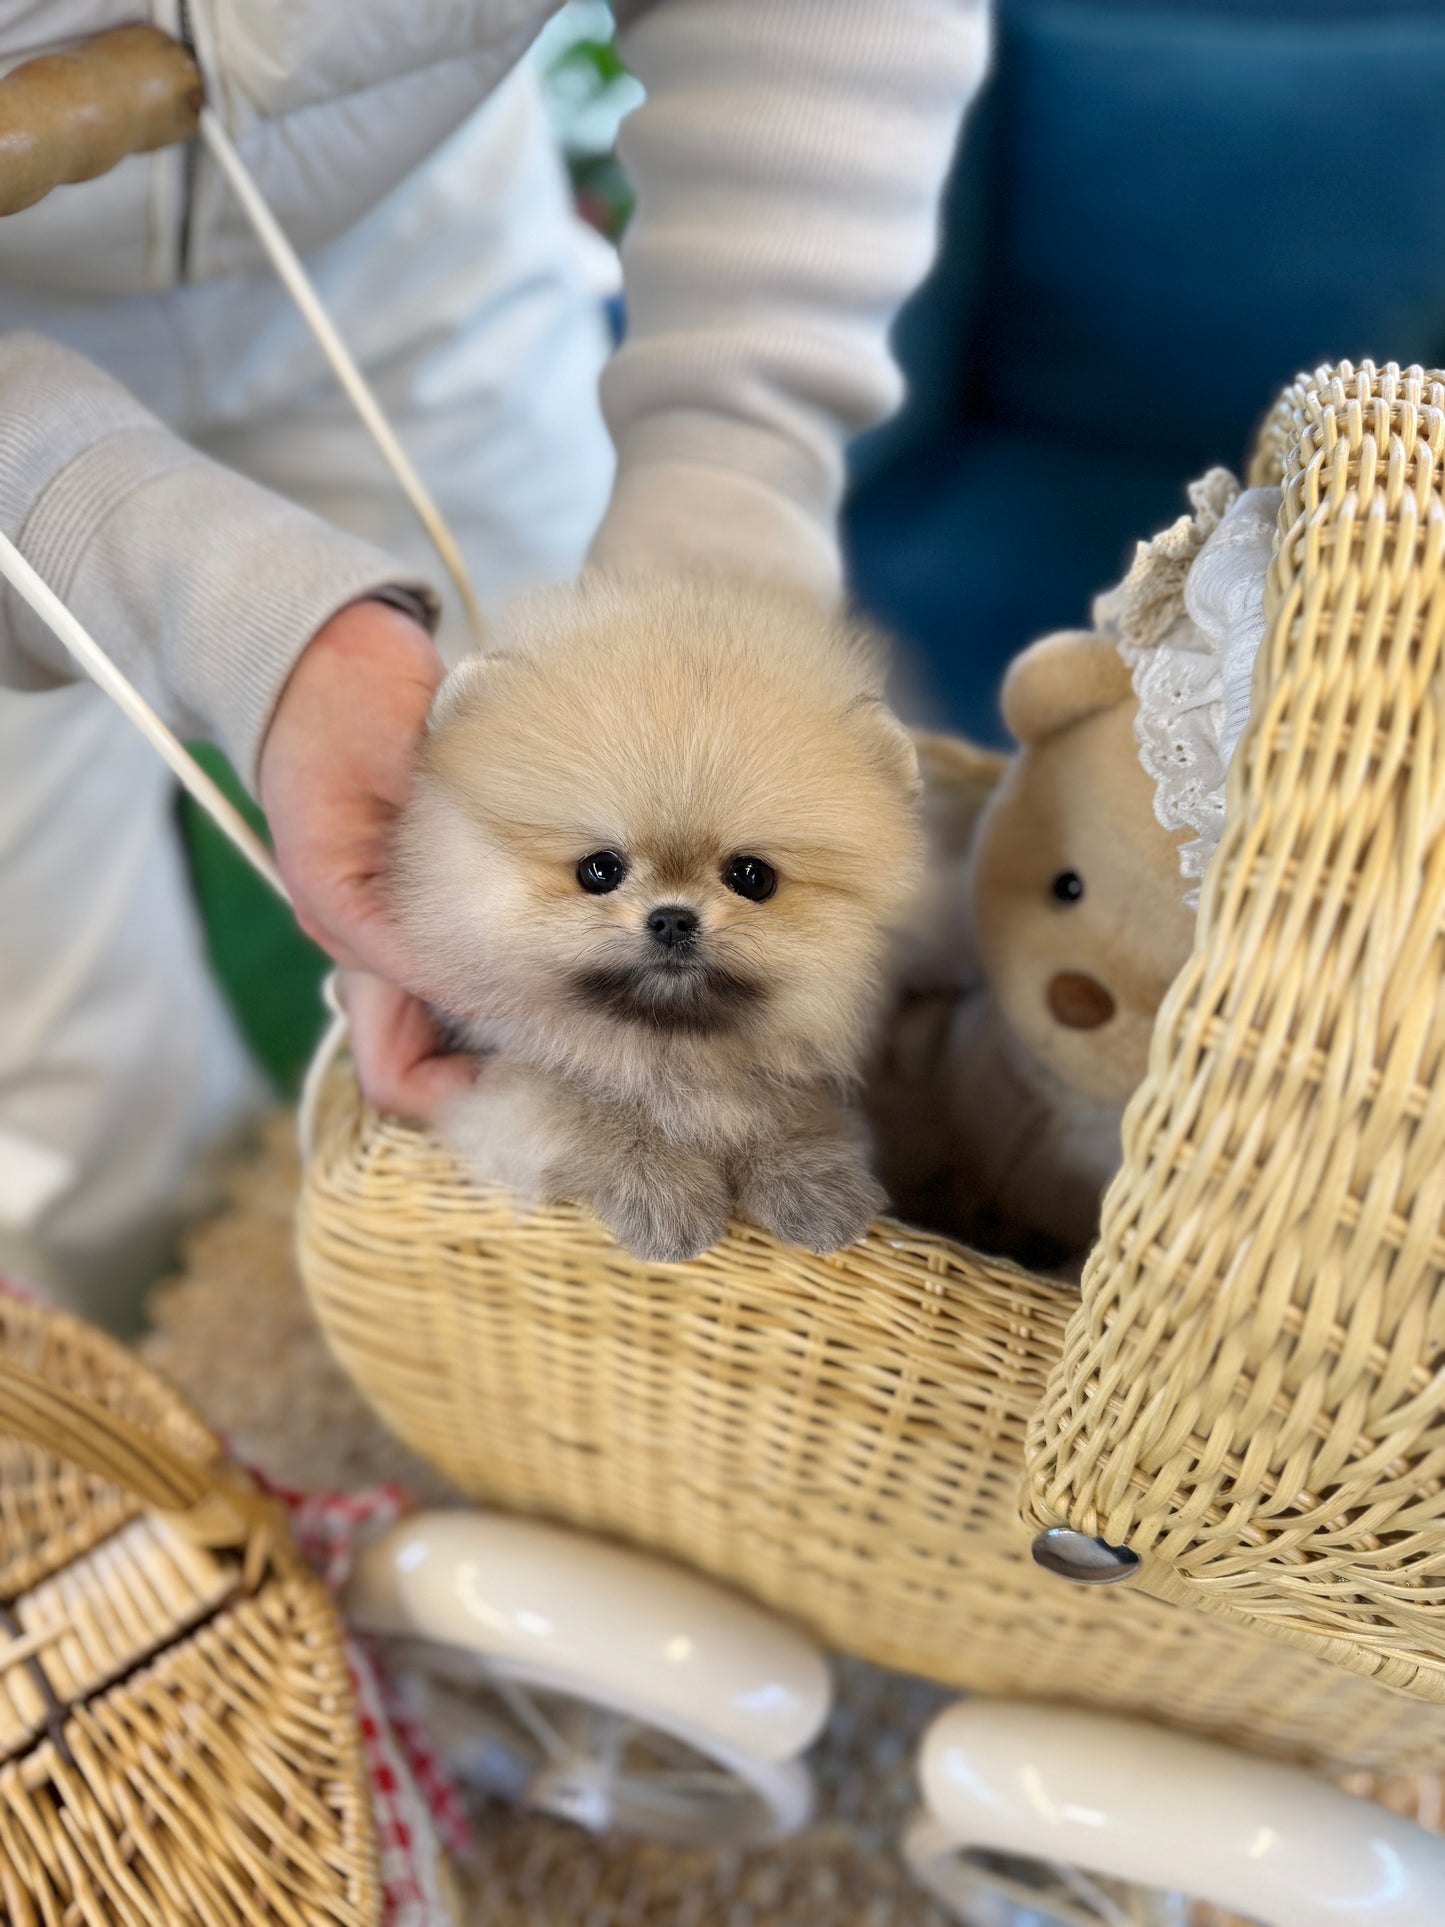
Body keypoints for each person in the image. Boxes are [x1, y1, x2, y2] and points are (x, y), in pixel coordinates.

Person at [0, 2, 990, 1318]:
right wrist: (258, 624)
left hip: (415, 237)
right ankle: (177, 1446)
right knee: (66, 1096)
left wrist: (729, 484)